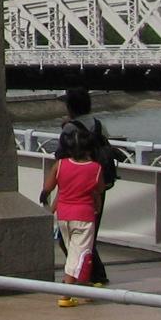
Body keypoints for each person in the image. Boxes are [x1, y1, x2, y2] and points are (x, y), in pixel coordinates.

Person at [49, 87, 112, 285]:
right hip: (96, 184)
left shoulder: (69, 130)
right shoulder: (98, 124)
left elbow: (61, 159)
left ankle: (85, 276)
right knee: (88, 234)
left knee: (68, 238)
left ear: (70, 106)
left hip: (73, 191)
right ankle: (90, 275)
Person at [41, 118, 105, 307]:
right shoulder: (95, 168)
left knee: (74, 253)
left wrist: (47, 200)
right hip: (84, 215)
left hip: (64, 215)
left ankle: (83, 287)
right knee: (83, 254)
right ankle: (66, 294)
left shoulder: (60, 165)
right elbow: (99, 188)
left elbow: (48, 187)